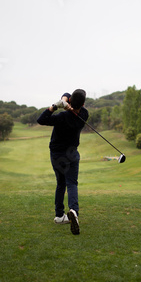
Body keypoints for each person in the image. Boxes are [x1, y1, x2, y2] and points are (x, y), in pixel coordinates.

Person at [37, 89, 88, 235]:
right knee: (71, 183)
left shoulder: (61, 117)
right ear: (83, 104)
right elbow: (70, 96)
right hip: (72, 154)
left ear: (71, 101)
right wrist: (67, 102)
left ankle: (59, 216)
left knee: (61, 184)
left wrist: (55, 105)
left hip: (57, 155)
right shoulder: (84, 114)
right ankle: (73, 211)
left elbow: (41, 120)